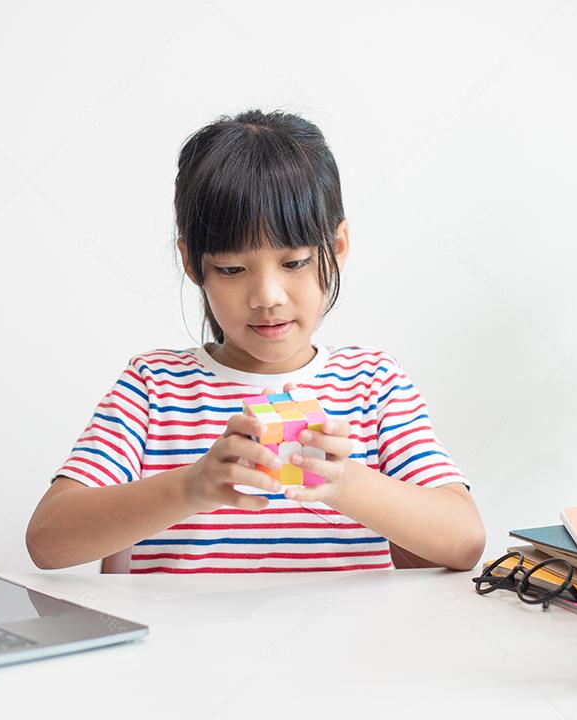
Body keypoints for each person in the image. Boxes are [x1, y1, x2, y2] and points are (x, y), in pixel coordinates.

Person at [27, 109, 485, 574]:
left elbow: (464, 540)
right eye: (231, 269)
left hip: (347, 646)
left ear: (338, 246)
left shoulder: (371, 384)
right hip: (185, 646)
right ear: (192, 262)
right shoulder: (154, 386)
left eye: (295, 262)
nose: (266, 296)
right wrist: (192, 487)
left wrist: (344, 481)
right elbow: (47, 543)